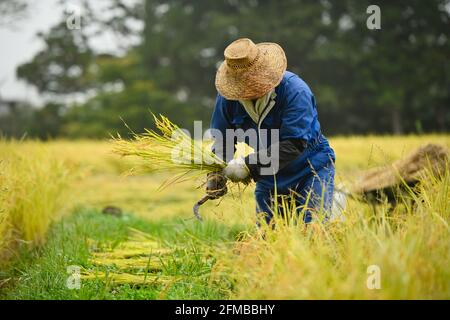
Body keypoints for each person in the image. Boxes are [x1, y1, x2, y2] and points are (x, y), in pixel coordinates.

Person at [206, 38, 335, 224]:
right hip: (269, 177)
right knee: (268, 236)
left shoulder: (295, 92)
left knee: (314, 230)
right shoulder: (228, 99)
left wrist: (248, 166)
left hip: (310, 169)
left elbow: (294, 144)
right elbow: (223, 140)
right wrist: (215, 173)